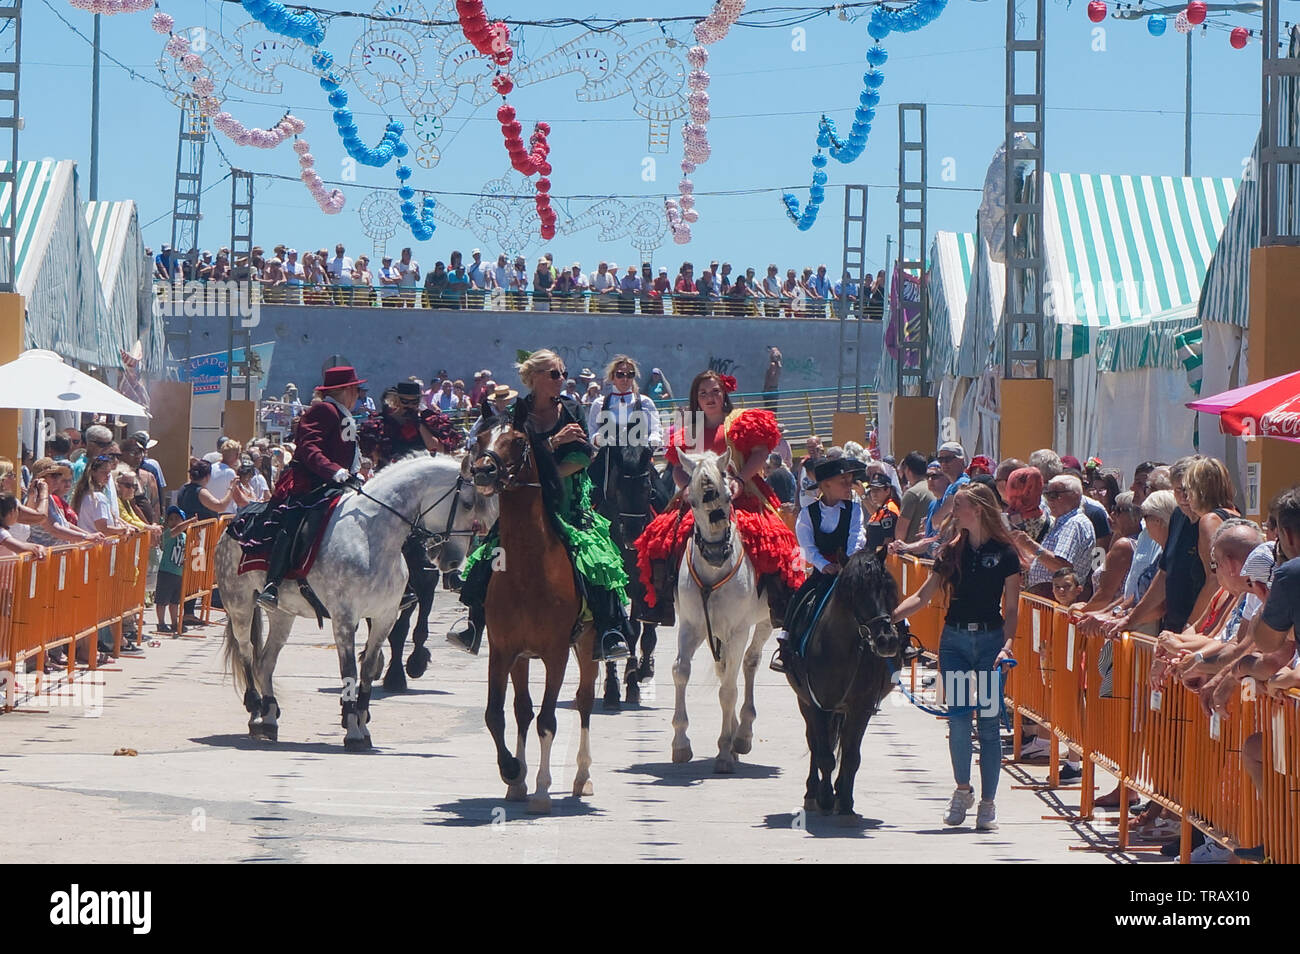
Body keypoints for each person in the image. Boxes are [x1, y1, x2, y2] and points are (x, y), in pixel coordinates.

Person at [447, 349, 632, 661]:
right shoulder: (515, 416)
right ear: (534, 378)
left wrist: (548, 475)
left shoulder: (571, 408)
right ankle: (474, 622)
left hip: (566, 502)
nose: (562, 379)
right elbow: (510, 460)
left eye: (562, 373)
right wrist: (552, 444)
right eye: (555, 374)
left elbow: (583, 456)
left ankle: (610, 631)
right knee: (492, 557)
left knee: (599, 559)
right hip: (523, 505)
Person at [892, 482, 1021, 831]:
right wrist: (890, 617)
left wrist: (1008, 646)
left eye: (958, 505)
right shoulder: (950, 551)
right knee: (960, 720)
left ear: (976, 509)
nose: (952, 511)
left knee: (990, 724)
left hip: (992, 643)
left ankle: (988, 803)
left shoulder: (1006, 553)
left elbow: (1011, 608)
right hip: (955, 643)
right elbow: (923, 595)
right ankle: (963, 790)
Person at [635, 370, 803, 628]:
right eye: (703, 393)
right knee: (658, 538)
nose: (710, 398)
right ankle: (661, 602)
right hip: (698, 497)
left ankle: (780, 605)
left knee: (773, 539)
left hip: (741, 493)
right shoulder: (690, 426)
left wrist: (740, 480)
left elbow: (759, 453)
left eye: (715, 391)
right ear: (696, 398)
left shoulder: (740, 420)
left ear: (724, 393)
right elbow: (678, 466)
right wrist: (687, 487)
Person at [235, 366, 368, 609]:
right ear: (345, 390)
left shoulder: (343, 414)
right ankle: (272, 585)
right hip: (311, 483)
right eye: (357, 390)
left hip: (341, 484)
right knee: (293, 523)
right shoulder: (322, 410)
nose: (359, 395)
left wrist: (354, 474)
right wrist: (333, 470)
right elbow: (308, 448)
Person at [770, 457, 864, 673]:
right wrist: (824, 565)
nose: (849, 485)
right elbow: (807, 546)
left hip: (849, 568)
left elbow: (857, 537)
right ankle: (785, 645)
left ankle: (900, 637)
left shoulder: (854, 510)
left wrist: (846, 563)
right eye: (844, 480)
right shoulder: (807, 514)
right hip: (823, 571)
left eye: (850, 480)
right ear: (825, 485)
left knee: (879, 591)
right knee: (799, 598)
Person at [155, 507, 195, 634]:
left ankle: (174, 623)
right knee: (162, 601)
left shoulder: (184, 536)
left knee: (174, 601)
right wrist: (189, 522)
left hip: (178, 572)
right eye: (171, 519)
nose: (173, 522)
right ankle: (161, 623)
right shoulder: (168, 534)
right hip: (166, 571)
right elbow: (177, 529)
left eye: (177, 519)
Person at [895, 451, 933, 545]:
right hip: (931, 547)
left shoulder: (912, 493)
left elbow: (900, 534)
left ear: (907, 470)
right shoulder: (934, 488)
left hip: (913, 552)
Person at [863, 471, 901, 551]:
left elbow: (888, 540)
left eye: (877, 490)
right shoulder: (882, 508)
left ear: (887, 490)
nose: (874, 494)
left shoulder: (889, 510)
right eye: (872, 490)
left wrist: (879, 558)